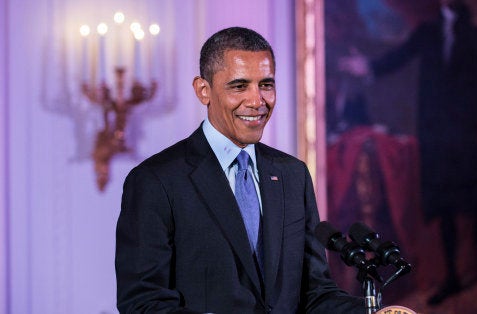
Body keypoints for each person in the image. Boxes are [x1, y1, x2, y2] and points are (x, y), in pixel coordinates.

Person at [115, 26, 364, 313]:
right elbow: (143, 302)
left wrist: (374, 311)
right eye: (239, 86)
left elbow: (315, 292)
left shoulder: (292, 175)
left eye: (266, 85)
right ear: (203, 90)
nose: (257, 101)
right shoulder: (157, 180)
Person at [340, 0, 477, 308]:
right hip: (438, 139)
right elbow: (399, 57)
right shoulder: (428, 33)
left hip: (469, 137)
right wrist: (369, 67)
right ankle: (452, 277)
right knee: (444, 211)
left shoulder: (475, 35)